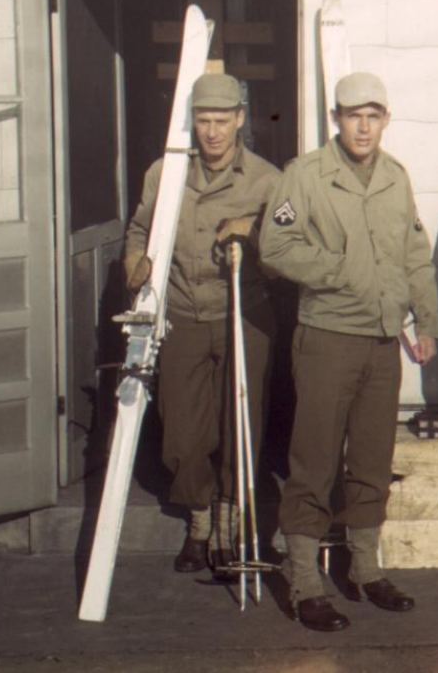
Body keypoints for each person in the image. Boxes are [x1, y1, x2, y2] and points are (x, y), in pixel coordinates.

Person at [259, 71, 438, 633]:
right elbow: (275, 245)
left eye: (373, 115)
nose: (363, 126)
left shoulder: (394, 176)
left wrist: (427, 317)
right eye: (352, 115)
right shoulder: (306, 176)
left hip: (383, 341)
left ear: (386, 119)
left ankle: (364, 568)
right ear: (336, 119)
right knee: (312, 462)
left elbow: (416, 252)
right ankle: (305, 582)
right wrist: (338, 273)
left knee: (369, 460)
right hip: (329, 338)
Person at [123, 72, 280, 580]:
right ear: (191, 122)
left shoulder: (266, 179)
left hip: (243, 313)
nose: (212, 132)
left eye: (222, 120)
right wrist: (134, 261)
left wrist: (252, 233)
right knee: (184, 433)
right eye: (203, 120)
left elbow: (289, 242)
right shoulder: (164, 174)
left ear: (239, 120)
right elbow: (142, 228)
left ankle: (230, 526)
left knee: (240, 422)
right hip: (185, 313)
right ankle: (198, 523)